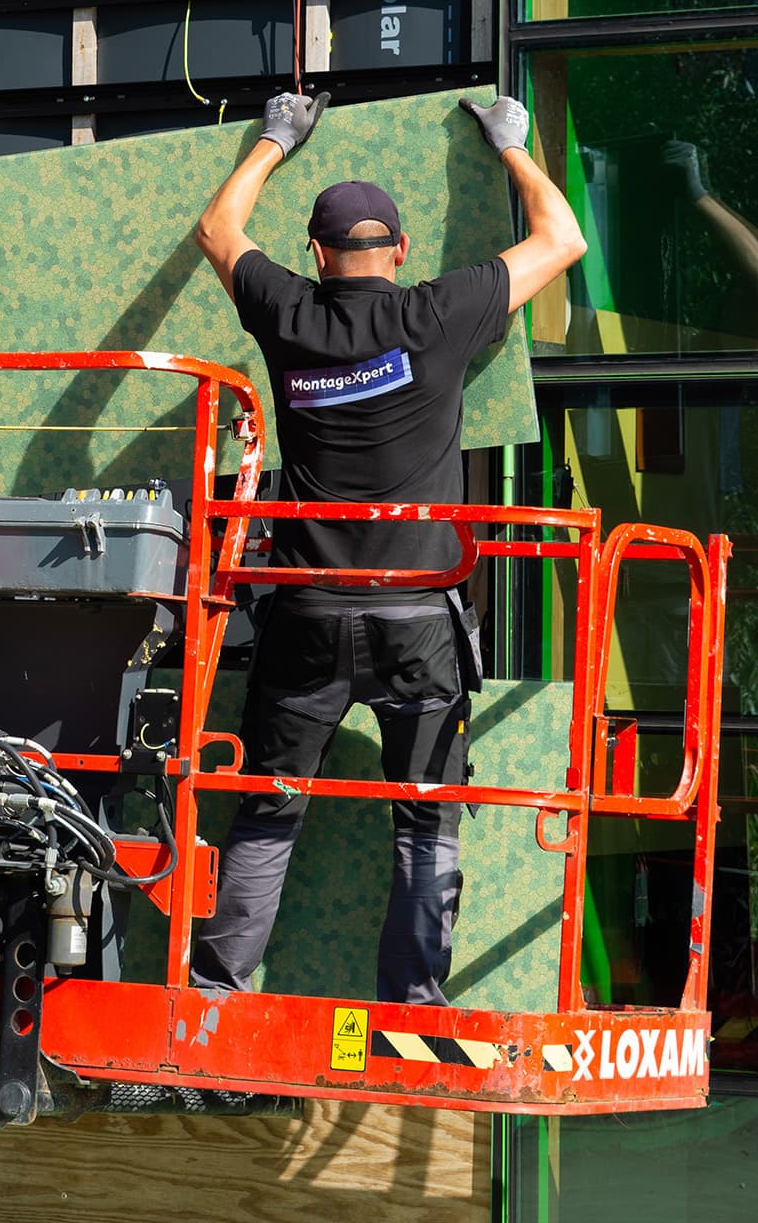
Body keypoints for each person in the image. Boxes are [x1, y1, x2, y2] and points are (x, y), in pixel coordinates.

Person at [188, 90, 587, 1004]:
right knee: (425, 818)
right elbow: (563, 240)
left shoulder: (289, 313)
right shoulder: (436, 316)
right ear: (400, 252)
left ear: (318, 255)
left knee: (270, 810)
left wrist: (273, 141)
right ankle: (414, 1002)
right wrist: (513, 151)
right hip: (418, 618)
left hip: (307, 616)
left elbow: (217, 229)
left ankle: (217, 993)